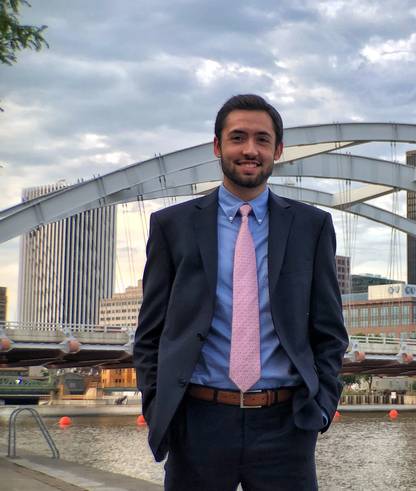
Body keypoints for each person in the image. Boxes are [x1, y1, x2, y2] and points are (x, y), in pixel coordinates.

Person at [134, 94, 349, 490]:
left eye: (262, 140)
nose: (250, 150)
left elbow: (330, 331)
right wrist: (156, 404)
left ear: (277, 150)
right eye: (238, 138)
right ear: (218, 146)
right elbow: (150, 332)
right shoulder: (172, 225)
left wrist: (321, 407)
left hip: (286, 424)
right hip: (198, 421)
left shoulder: (312, 226)